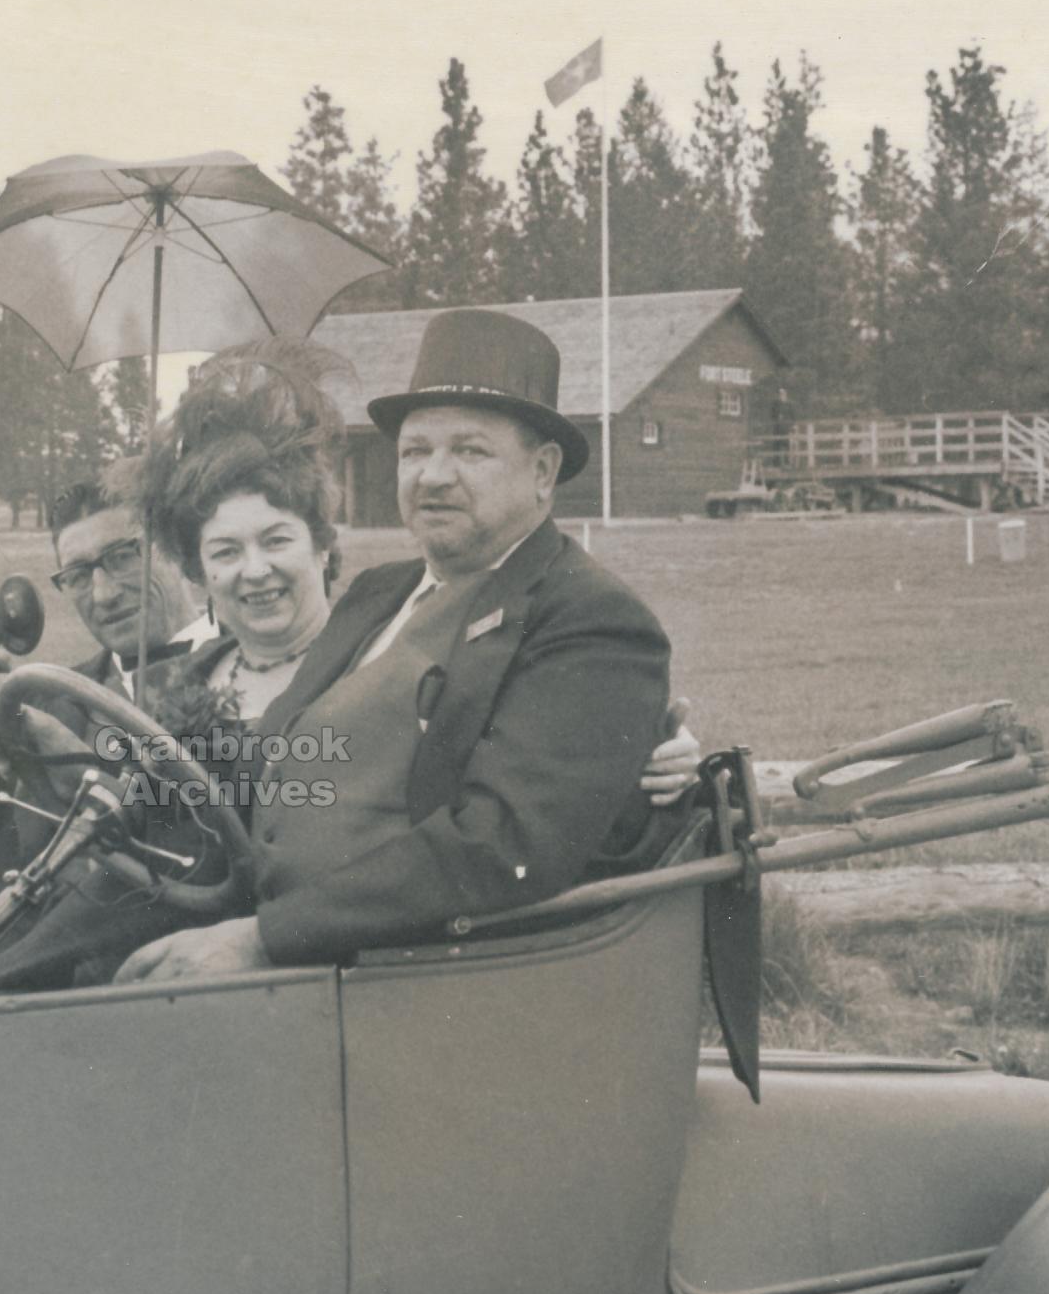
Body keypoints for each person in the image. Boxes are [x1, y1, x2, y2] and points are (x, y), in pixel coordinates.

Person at [117, 307, 675, 982]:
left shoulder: (591, 620)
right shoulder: (378, 593)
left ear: (542, 471)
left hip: (412, 981)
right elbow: (288, 758)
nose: (433, 476)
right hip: (271, 942)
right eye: (415, 452)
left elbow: (500, 845)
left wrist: (265, 939)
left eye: (469, 451)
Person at [0, 472, 210, 926]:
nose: (104, 594)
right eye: (77, 575)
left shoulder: (251, 667)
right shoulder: (48, 703)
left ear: (175, 547)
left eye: (123, 557)